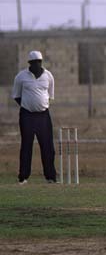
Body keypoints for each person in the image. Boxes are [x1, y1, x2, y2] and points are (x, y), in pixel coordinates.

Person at [11, 50, 58, 184]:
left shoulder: (48, 76)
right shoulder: (21, 76)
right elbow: (16, 96)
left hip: (43, 115)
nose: (37, 65)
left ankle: (50, 176)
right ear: (30, 63)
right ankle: (23, 176)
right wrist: (27, 106)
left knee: (47, 146)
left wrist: (40, 106)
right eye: (34, 62)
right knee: (26, 146)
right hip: (27, 116)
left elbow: (50, 95)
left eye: (39, 62)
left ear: (41, 62)